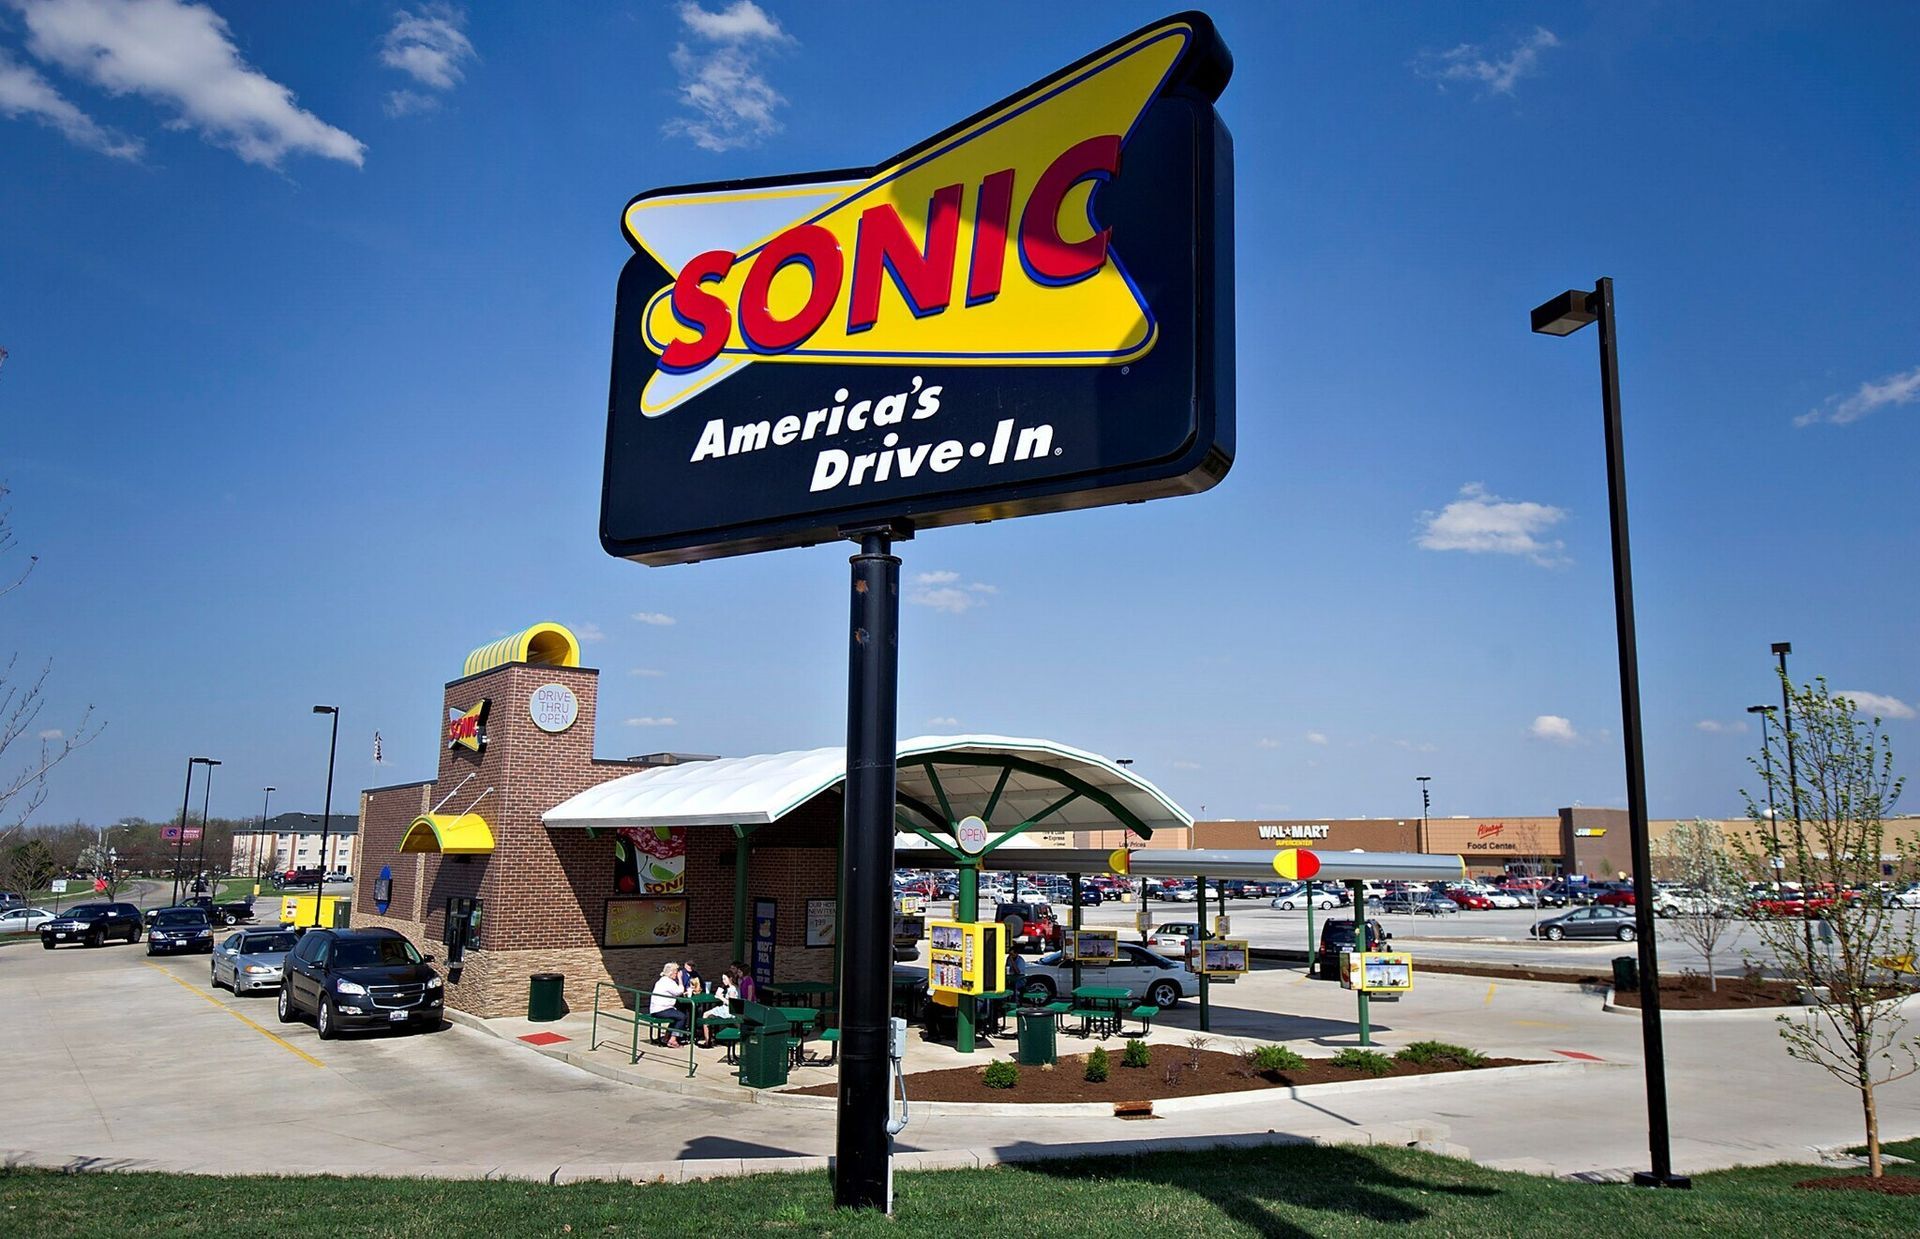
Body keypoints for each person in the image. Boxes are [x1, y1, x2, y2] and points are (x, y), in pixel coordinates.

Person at [650, 961, 687, 1048]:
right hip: (661, 1010)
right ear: (671, 973)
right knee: (682, 1017)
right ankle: (673, 1039)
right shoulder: (668, 982)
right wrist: (680, 979)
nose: (677, 974)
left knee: (676, 1015)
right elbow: (679, 991)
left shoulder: (662, 980)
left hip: (658, 1009)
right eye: (676, 972)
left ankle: (666, 1037)